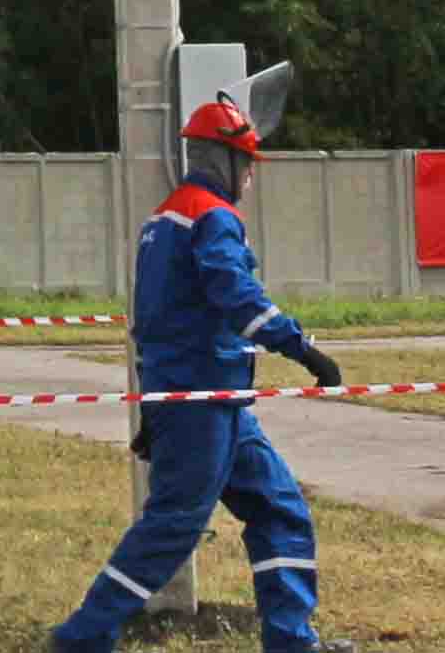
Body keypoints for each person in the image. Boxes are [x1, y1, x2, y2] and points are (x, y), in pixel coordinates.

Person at [47, 94, 337, 653]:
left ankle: (292, 641)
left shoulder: (166, 218)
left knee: (280, 510)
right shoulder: (212, 216)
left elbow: (157, 319)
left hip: (212, 398)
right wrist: (302, 348)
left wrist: (157, 403)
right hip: (200, 400)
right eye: (248, 164)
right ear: (224, 159)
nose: (250, 178)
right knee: (173, 526)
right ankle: (82, 637)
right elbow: (235, 294)